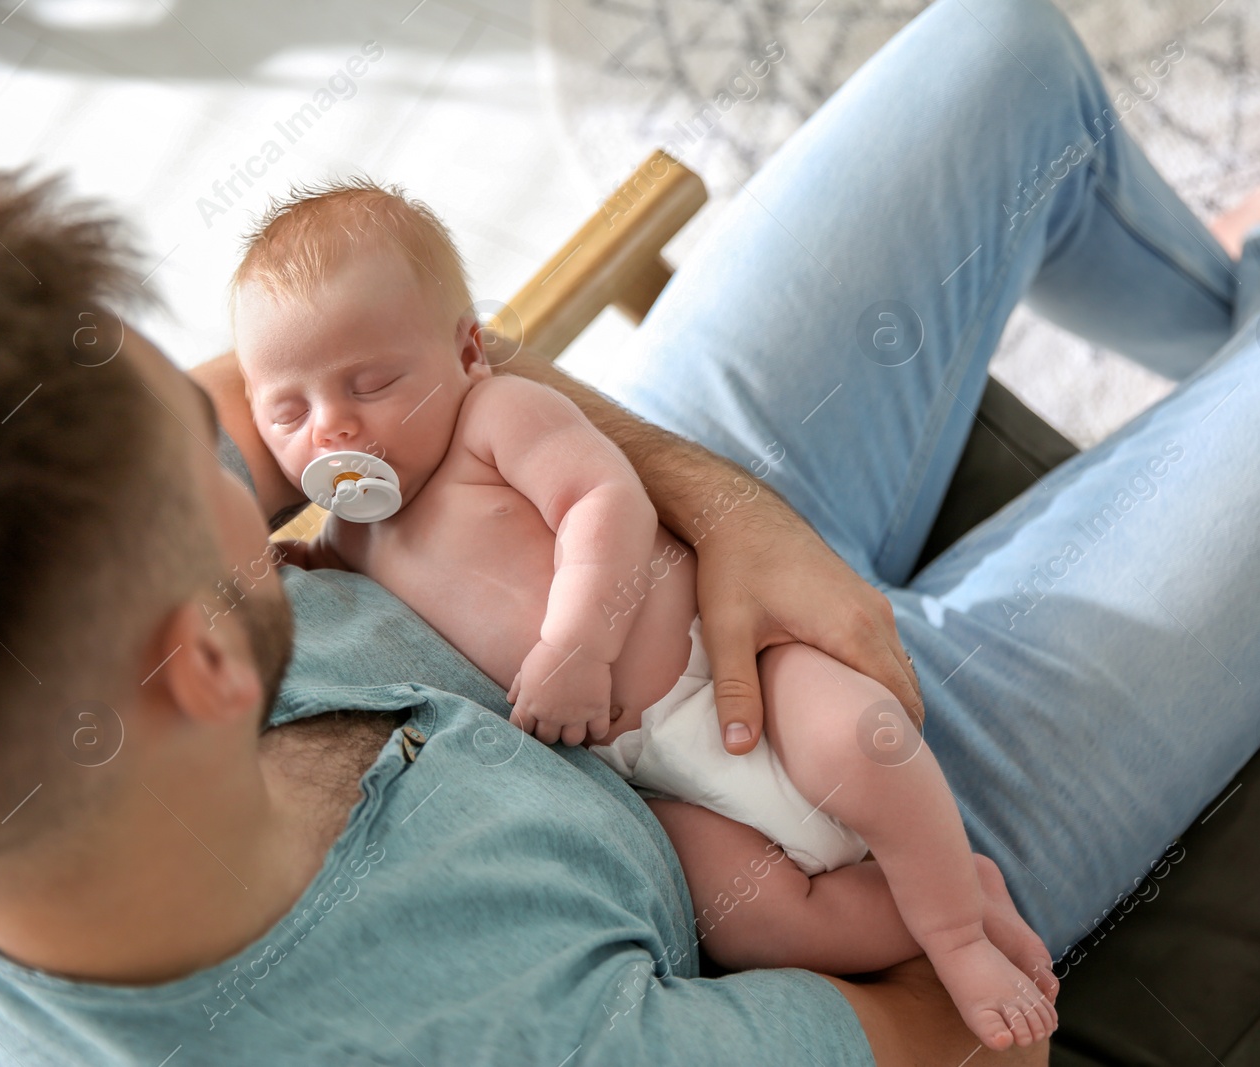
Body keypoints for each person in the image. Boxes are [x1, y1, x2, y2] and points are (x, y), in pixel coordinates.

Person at [0, 0, 1260, 1063]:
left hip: (586, 506)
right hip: (839, 819)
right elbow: (944, 1033)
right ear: (207, 665)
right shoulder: (500, 1034)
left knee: (1001, 50)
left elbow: (298, 381)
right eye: (222, 475)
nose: (245, 431)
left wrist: (719, 507)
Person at [227, 183, 1058, 1049]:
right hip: (654, 781)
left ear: (468, 350)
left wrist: (578, 641)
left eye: (373, 382)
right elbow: (331, 574)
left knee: (862, 740)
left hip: (725, 674)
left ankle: (957, 933)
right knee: (753, 919)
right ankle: (955, 892)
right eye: (288, 410)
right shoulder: (349, 534)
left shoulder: (494, 419)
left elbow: (605, 500)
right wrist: (295, 563)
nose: (331, 430)